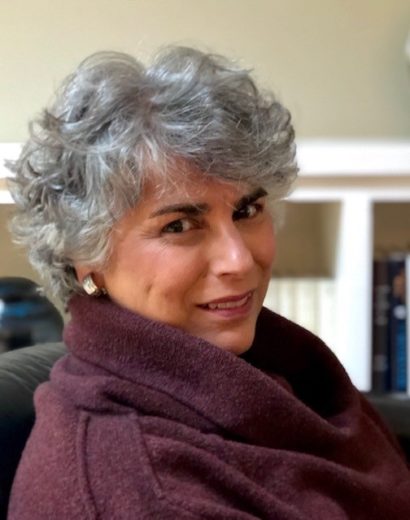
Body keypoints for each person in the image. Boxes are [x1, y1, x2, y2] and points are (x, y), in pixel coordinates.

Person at [6, 47, 410, 519]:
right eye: (178, 226)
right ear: (85, 257)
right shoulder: (142, 493)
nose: (239, 260)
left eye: (247, 210)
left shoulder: (277, 367)